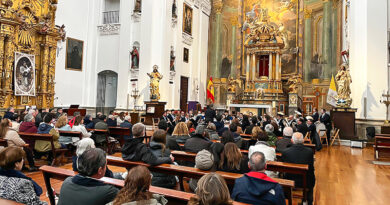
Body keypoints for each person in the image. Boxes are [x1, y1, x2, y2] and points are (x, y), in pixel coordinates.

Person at [282, 132, 315, 205]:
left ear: (292, 141)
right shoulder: (309, 151)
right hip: (305, 181)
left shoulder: (285, 152)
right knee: (311, 178)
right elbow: (311, 168)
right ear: (303, 141)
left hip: (289, 179)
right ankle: (308, 202)